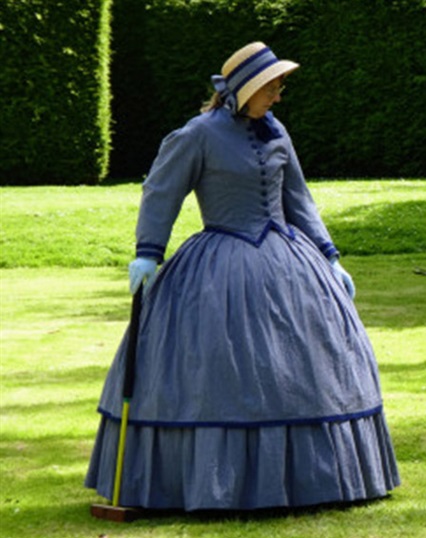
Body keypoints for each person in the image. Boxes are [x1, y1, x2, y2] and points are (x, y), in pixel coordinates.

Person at [86, 42, 400, 510]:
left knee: (306, 364)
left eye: (278, 86)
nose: (277, 96)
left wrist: (330, 257)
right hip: (219, 263)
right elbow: (161, 192)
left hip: (289, 262)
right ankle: (210, 483)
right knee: (218, 368)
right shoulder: (198, 135)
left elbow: (299, 199)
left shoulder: (277, 133)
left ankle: (317, 479)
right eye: (271, 87)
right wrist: (148, 253)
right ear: (244, 89)